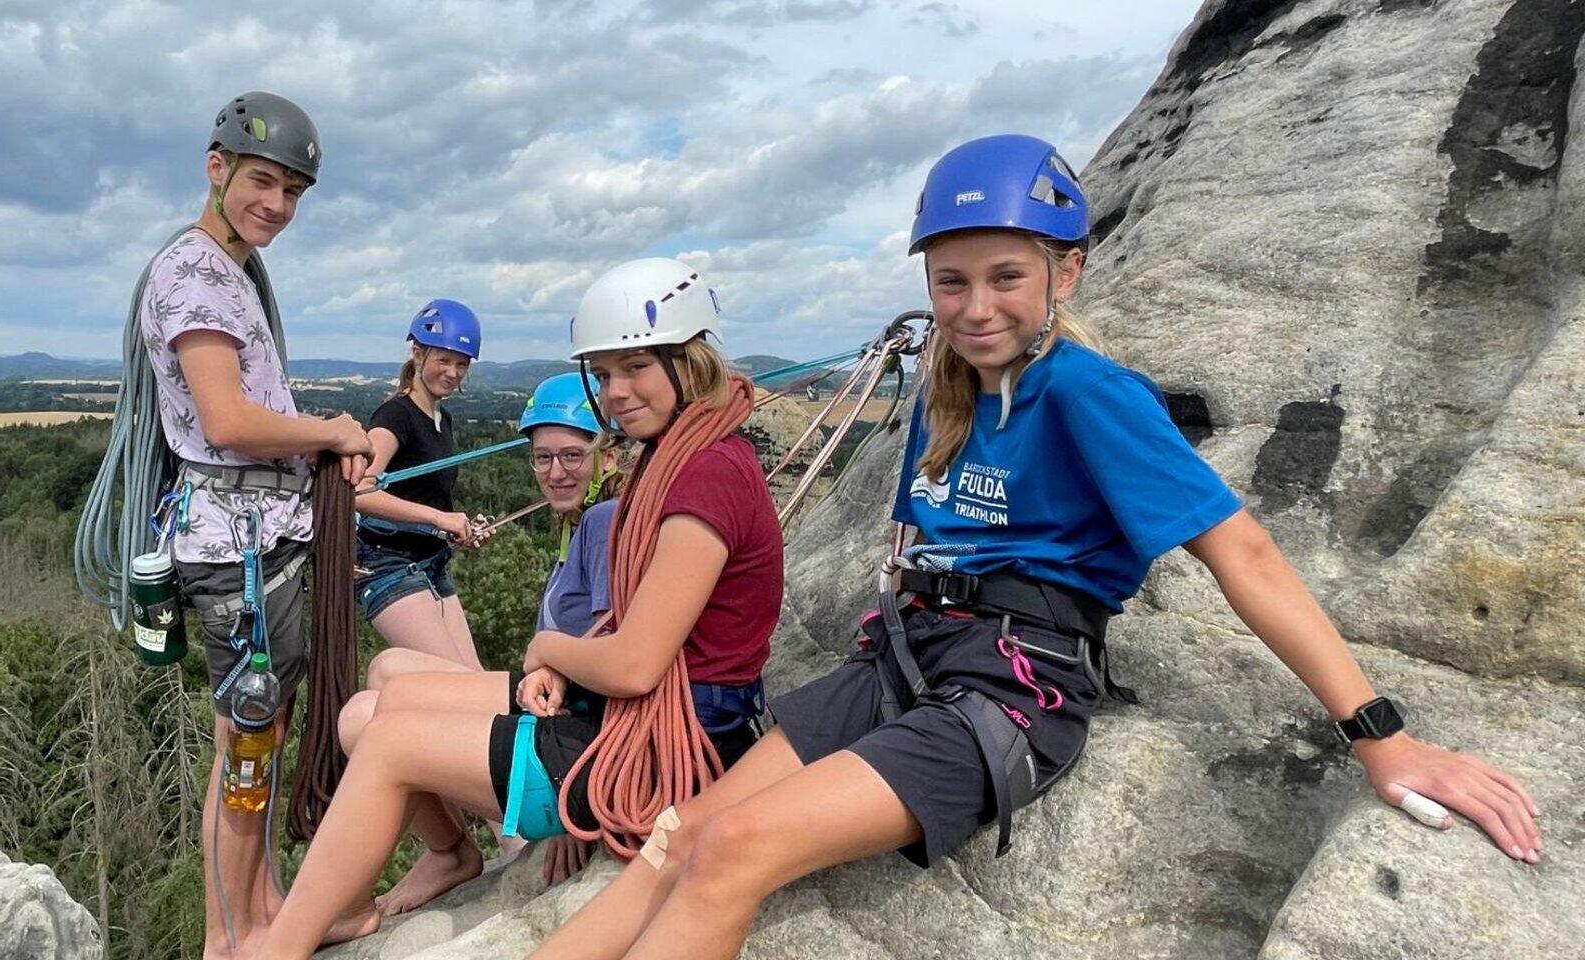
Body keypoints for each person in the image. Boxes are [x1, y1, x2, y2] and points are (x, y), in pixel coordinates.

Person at [523, 135, 1544, 960]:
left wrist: (1378, 732)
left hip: (1013, 688)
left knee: (735, 847)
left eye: (1006, 276)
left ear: (1066, 270)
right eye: (950, 281)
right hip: (904, 660)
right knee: (682, 829)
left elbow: (1247, 557)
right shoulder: (945, 397)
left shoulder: (1089, 395)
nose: (974, 309)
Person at [250, 260, 784, 959]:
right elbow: (638, 627)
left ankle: (280, 948)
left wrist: (547, 653)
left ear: (688, 362)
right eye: (603, 372)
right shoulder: (681, 456)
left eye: (635, 368)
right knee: (390, 690)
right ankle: (385, 886)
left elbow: (634, 662)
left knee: (386, 740)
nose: (616, 392)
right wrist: (567, 667)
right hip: (642, 716)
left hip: (665, 747)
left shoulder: (705, 475)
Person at [139, 91, 372, 960]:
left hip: (257, 543)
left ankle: (265, 907)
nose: (276, 203)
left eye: (292, 191)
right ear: (217, 168)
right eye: (263, 181)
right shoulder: (194, 274)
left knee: (256, 743)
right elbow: (228, 421)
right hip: (235, 552)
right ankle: (231, 938)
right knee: (248, 742)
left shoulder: (226, 272)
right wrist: (332, 432)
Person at [335, 371, 625, 911]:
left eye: (571, 456)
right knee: (389, 668)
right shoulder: (584, 520)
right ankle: (452, 851)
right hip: (566, 711)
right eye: (542, 458)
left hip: (572, 741)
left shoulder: (604, 522)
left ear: (606, 458)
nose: (554, 473)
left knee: (361, 719)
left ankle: (448, 856)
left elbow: (615, 658)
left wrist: (572, 798)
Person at [354, 300, 491, 669]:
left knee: (475, 677)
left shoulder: (440, 418)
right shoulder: (395, 416)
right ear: (417, 353)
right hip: (387, 563)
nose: (453, 372)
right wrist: (438, 518)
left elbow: (422, 497)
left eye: (461, 363)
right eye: (443, 360)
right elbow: (359, 492)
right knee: (459, 682)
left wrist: (455, 528)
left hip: (429, 561)